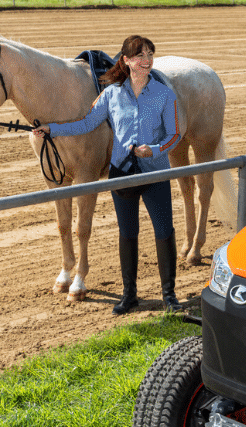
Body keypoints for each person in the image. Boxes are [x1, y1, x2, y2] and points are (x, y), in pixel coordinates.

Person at [34, 35, 183, 315]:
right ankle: (129, 296)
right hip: (122, 173)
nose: (147, 60)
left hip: (155, 173)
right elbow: (87, 123)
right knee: (128, 234)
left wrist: (153, 150)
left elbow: (174, 133)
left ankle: (169, 296)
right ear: (126, 61)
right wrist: (52, 129)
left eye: (150, 54)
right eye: (140, 55)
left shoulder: (165, 94)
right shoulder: (111, 94)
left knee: (164, 232)